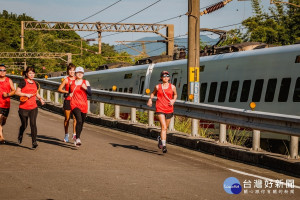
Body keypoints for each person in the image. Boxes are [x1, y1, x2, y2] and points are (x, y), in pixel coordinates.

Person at [147, 71, 177, 153]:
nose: (166, 78)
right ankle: (164, 146)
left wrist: (173, 100)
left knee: (165, 128)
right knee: (163, 127)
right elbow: (153, 94)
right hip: (160, 108)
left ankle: (160, 138)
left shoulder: (173, 87)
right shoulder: (158, 87)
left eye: (167, 76)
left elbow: (175, 95)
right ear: (161, 78)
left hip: (169, 108)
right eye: (164, 76)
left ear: (169, 78)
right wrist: (150, 99)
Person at [15, 66, 45, 148]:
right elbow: (17, 92)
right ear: (26, 74)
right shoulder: (23, 82)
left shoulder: (35, 83)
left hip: (33, 107)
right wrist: (25, 94)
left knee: (33, 124)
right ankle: (21, 133)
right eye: (30, 73)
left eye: (33, 73)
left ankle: (34, 142)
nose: (32, 75)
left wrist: (40, 99)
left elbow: (36, 93)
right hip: (23, 108)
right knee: (24, 125)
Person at [69, 66, 91, 147]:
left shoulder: (86, 82)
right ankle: (77, 138)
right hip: (74, 104)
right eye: (78, 73)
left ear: (83, 74)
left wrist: (86, 88)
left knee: (81, 123)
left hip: (83, 105)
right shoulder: (72, 83)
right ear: (75, 73)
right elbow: (67, 93)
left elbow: (90, 93)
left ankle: (77, 137)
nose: (80, 74)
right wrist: (69, 94)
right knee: (79, 120)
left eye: (81, 73)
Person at [58, 63, 76, 142]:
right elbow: (59, 89)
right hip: (68, 100)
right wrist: (67, 92)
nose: (72, 72)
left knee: (76, 119)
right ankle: (66, 135)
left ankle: (75, 134)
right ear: (68, 71)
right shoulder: (66, 79)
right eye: (70, 70)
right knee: (67, 119)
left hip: (76, 101)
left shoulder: (77, 79)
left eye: (73, 70)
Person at [0, 64, 16, 144]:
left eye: (4, 70)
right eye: (1, 70)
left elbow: (14, 91)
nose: (2, 72)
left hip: (6, 104)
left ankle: (1, 129)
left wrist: (8, 94)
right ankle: (1, 136)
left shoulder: (9, 80)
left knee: (3, 121)